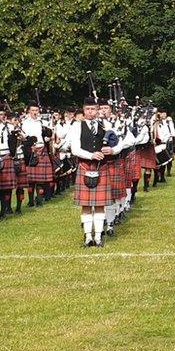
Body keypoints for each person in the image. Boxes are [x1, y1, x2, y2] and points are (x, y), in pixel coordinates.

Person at [70, 96, 117, 247]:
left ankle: (98, 237)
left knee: (99, 205)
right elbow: (74, 149)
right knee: (85, 205)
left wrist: (112, 149)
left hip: (101, 167)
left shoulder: (106, 125)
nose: (90, 112)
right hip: (85, 166)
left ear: (98, 110)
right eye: (87, 109)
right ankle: (87, 237)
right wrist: (91, 155)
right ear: (83, 111)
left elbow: (118, 143)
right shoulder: (77, 126)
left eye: (93, 109)